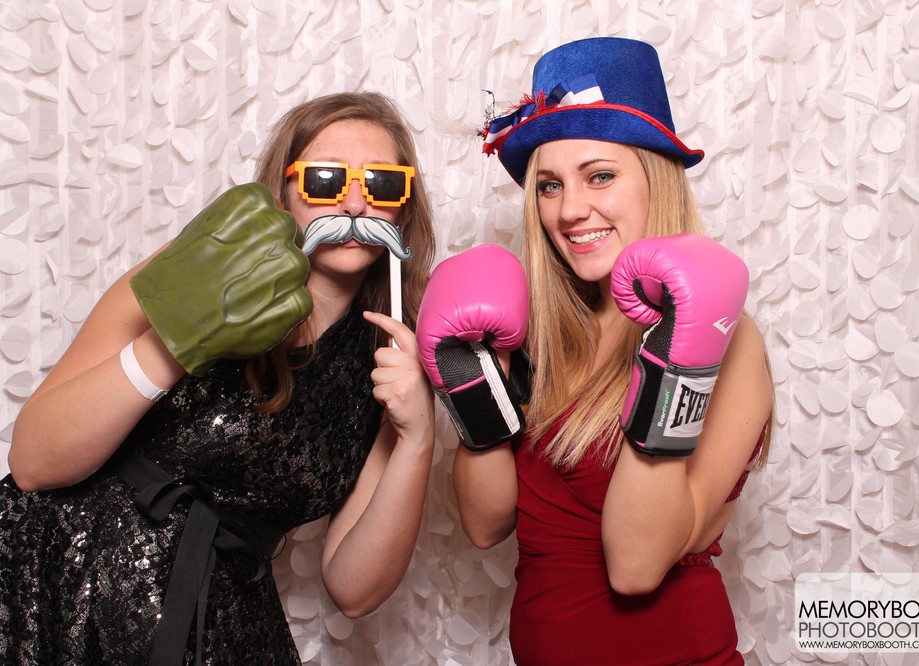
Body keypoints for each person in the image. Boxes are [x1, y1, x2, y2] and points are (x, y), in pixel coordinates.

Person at [1, 91, 437, 665]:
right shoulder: (197, 267)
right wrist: (180, 339)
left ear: (404, 209)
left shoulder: (392, 362)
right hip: (51, 591)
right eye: (325, 179)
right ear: (284, 194)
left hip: (217, 634)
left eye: (381, 183)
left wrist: (417, 436)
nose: (355, 203)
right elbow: (33, 462)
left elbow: (355, 591)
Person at [429, 37, 773, 665]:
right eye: (549, 186)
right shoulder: (533, 329)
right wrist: (468, 376)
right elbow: (485, 525)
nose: (570, 210)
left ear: (655, 179)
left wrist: (677, 358)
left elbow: (637, 566)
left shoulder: (730, 337)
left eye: (601, 176)